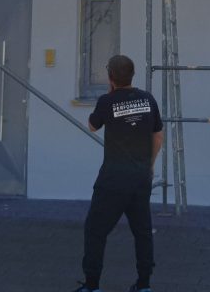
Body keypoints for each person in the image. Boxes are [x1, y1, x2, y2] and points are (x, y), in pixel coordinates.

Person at [76, 55, 163, 292]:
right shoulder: (148, 99)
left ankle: (92, 285)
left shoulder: (107, 101)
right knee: (143, 232)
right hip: (140, 178)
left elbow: (93, 125)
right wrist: (150, 165)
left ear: (111, 77)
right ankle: (144, 285)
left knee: (95, 230)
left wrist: (110, 93)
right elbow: (158, 135)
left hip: (113, 179)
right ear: (132, 75)